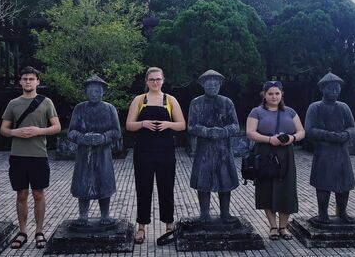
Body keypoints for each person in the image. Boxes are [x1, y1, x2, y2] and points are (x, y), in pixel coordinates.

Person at [0, 66, 61, 249]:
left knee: (38, 194)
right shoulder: (13, 103)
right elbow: (3, 130)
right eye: (25, 79)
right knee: (21, 194)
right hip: (18, 156)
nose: (28, 82)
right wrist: (15, 132)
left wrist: (39, 131)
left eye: (31, 79)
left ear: (37, 82)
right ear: (20, 81)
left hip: (38, 155)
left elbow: (57, 127)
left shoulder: (46, 102)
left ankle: (39, 231)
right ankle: (23, 231)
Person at [125, 67, 185, 244]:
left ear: (163, 80)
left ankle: (168, 224)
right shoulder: (139, 100)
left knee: (166, 188)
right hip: (143, 151)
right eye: (151, 79)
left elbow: (182, 125)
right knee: (143, 189)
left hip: (165, 151)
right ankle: (141, 227)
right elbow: (129, 125)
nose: (155, 82)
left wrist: (168, 124)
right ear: (146, 81)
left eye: (158, 79)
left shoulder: (170, 100)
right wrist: (143, 123)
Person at [246, 80, 305, 241]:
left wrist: (292, 137)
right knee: (266, 189)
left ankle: (283, 227)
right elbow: (250, 132)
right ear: (264, 95)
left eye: (277, 93)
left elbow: (301, 131)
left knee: (287, 190)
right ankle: (273, 227)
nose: (274, 96)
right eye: (270, 93)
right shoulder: (256, 111)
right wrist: (269, 139)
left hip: (286, 154)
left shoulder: (290, 112)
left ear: (282, 94)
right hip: (265, 153)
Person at [67, 75, 121, 226]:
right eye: (91, 90)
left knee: (104, 181)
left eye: (98, 90)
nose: (94, 93)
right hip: (84, 154)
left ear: (103, 92)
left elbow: (117, 132)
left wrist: (103, 137)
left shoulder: (109, 109)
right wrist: (82, 138)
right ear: (86, 92)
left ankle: (105, 215)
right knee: (83, 182)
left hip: (103, 154)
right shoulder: (79, 109)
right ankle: (83, 215)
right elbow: (71, 132)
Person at [187, 69, 239, 223]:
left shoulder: (227, 102)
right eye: (208, 85)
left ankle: (225, 213)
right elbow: (190, 126)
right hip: (204, 150)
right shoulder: (196, 103)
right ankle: (204, 214)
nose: (212, 87)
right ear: (203, 86)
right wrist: (207, 132)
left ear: (220, 85)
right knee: (203, 182)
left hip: (223, 149)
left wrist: (222, 131)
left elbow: (235, 126)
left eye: (215, 85)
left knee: (225, 181)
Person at [305, 72, 355, 224]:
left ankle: (342, 212)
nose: (335, 91)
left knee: (345, 183)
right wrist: (328, 135)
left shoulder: (344, 107)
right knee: (323, 183)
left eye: (337, 88)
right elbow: (309, 129)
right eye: (331, 88)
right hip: (323, 152)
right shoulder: (315, 107)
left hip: (342, 151)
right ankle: (323, 214)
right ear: (323, 89)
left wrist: (346, 134)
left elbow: (352, 127)